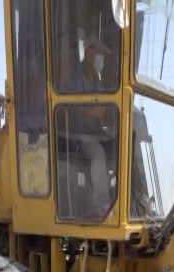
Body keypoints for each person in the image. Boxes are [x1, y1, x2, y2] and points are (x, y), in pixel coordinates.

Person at [68, 37, 114, 216]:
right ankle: (101, 205)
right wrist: (93, 111)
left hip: (95, 131)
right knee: (98, 153)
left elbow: (103, 107)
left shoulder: (96, 79)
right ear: (88, 52)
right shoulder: (75, 76)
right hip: (77, 133)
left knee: (121, 146)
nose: (101, 57)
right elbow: (73, 108)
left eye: (103, 53)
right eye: (98, 52)